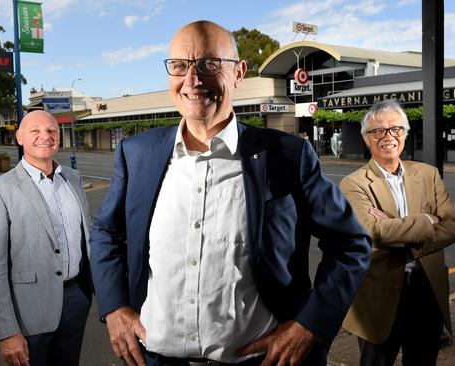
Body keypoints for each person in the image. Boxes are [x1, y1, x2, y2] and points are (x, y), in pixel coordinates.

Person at [90, 20, 371, 366]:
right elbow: (106, 231)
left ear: (238, 73)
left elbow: (350, 245)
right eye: (179, 66)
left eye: (208, 64)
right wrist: (115, 307)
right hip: (157, 358)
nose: (193, 80)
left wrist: (309, 325)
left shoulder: (287, 156)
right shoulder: (138, 154)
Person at [339, 100, 455, 366]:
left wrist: (400, 231)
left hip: (427, 291)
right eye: (378, 131)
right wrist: (428, 221)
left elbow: (453, 226)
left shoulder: (428, 174)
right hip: (379, 297)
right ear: (365, 138)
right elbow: (374, 232)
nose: (388, 137)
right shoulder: (353, 184)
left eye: (395, 129)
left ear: (405, 133)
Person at [0, 110, 93, 366]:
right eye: (35, 131)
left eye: (52, 131)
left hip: (76, 299)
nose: (46, 136)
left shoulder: (72, 179)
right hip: (28, 310)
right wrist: (6, 331)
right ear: (19, 137)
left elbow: (89, 238)